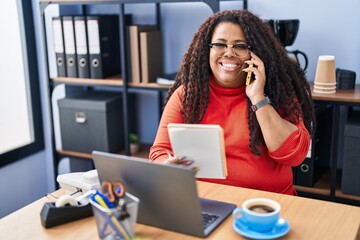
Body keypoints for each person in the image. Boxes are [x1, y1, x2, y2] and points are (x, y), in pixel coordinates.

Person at [149, 9, 315, 195]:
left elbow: (294, 156)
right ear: (208, 49)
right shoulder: (187, 95)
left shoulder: (276, 93)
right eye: (220, 44)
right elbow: (159, 151)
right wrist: (168, 165)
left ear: (256, 53)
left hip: (268, 203)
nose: (229, 53)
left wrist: (259, 99)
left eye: (240, 46)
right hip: (207, 199)